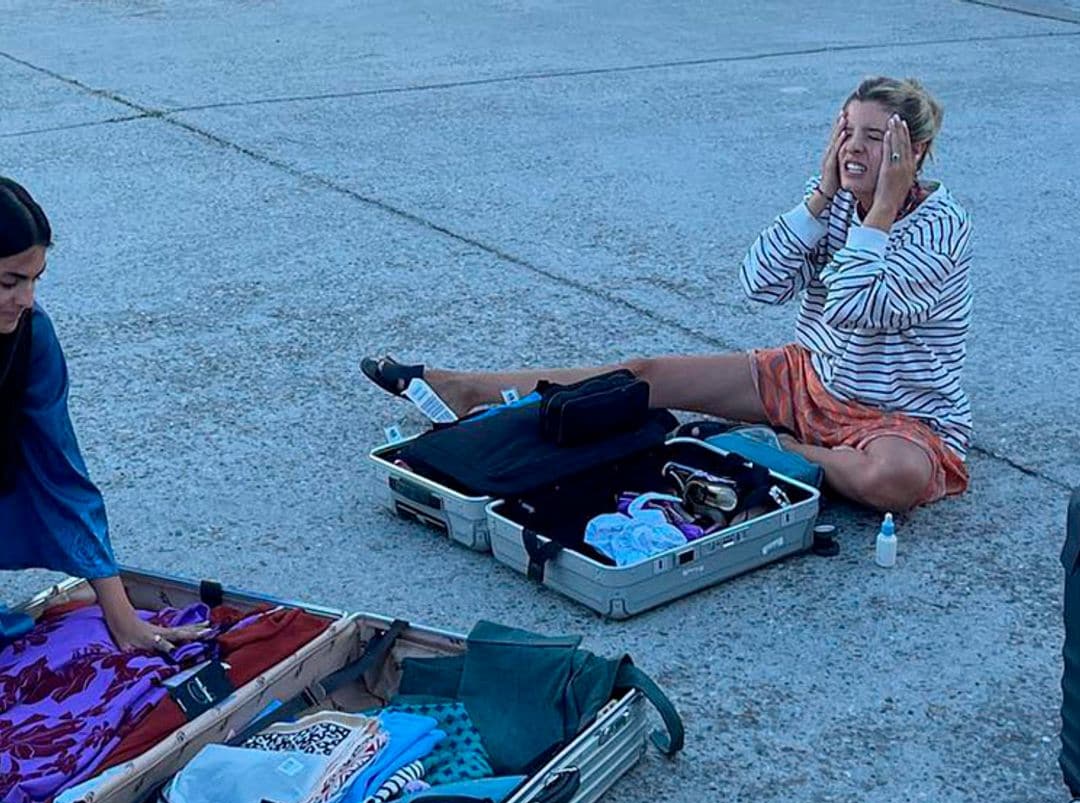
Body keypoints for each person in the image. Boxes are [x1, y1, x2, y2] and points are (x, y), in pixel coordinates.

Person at [361, 76, 971, 513]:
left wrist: (883, 209)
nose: (855, 150)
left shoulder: (940, 228)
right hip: (808, 377)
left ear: (913, 152)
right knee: (642, 374)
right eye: (847, 134)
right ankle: (466, 387)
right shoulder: (836, 197)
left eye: (874, 139)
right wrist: (818, 199)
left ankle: (776, 449)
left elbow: (854, 307)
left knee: (895, 480)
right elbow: (759, 283)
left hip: (898, 416)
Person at [0, 177, 205, 651]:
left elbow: (61, 472)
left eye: (35, 280)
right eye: (10, 282)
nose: (26, 300)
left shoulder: (33, 336)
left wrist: (122, 616)